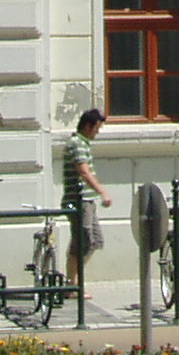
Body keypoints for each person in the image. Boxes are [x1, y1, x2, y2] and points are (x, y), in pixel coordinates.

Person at [63, 109, 114, 292]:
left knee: (94, 241)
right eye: (96, 128)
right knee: (82, 241)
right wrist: (102, 192)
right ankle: (72, 284)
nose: (97, 132)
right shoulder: (77, 143)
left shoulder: (83, 143)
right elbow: (83, 171)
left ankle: (74, 281)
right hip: (79, 200)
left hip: (87, 201)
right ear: (88, 126)